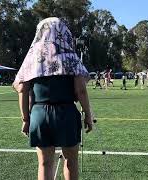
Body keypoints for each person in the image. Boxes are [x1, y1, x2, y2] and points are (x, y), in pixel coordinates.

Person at [12, 17, 94, 180]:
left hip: (39, 114)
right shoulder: (69, 55)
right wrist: (88, 115)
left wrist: (26, 120)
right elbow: (81, 91)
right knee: (70, 162)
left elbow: (21, 88)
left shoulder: (32, 56)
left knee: (45, 164)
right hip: (66, 113)